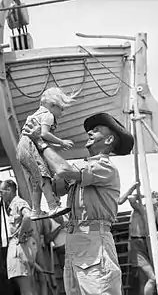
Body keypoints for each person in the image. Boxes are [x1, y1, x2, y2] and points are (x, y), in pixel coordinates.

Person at [22, 112, 134, 295]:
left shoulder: (105, 167)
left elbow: (63, 169)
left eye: (96, 130)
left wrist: (41, 143)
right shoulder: (83, 169)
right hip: (77, 244)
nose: (89, 132)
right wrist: (33, 152)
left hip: (94, 244)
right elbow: (56, 187)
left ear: (109, 140)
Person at [16, 87, 75, 220]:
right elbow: (44, 134)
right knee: (44, 176)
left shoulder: (36, 115)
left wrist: (55, 147)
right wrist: (61, 142)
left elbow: (39, 139)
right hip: (30, 146)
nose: (62, 112)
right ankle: (52, 206)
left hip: (22, 147)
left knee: (36, 180)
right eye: (62, 108)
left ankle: (35, 210)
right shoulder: (48, 115)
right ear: (54, 105)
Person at [118, 185, 158, 295]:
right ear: (150, 200)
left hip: (146, 243)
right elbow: (131, 199)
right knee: (153, 278)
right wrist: (138, 193)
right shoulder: (141, 207)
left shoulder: (155, 212)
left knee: (143, 280)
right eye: (156, 199)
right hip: (137, 243)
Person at [0, 179, 38, 295]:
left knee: (25, 288)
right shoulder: (12, 205)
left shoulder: (18, 202)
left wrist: (20, 236)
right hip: (21, 247)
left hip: (19, 247)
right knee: (27, 287)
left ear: (9, 190)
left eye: (2, 192)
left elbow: (28, 216)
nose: (0, 195)